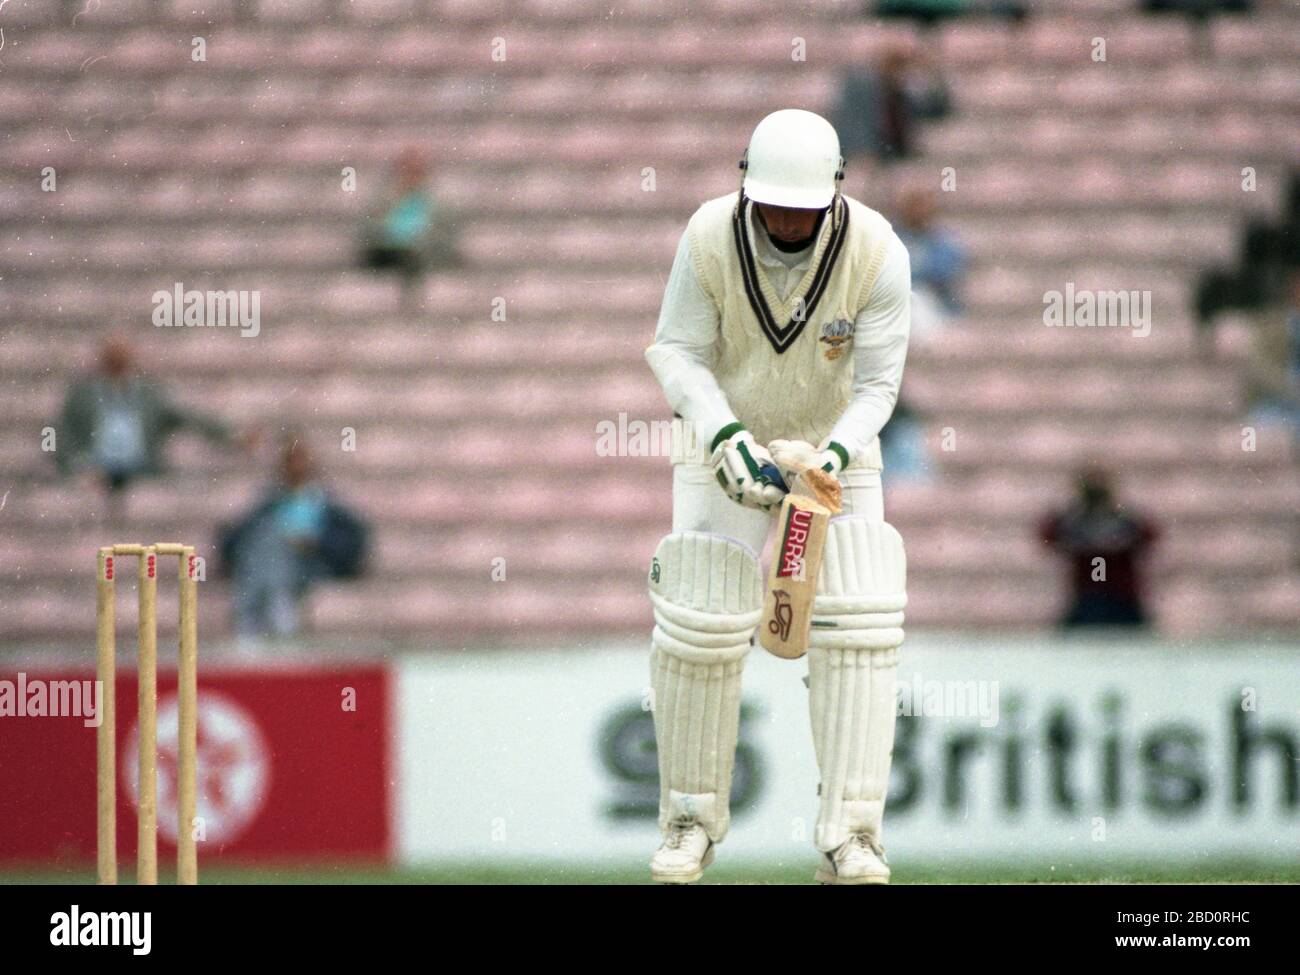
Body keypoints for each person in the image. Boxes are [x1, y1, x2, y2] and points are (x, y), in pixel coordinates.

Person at [644, 109, 911, 884]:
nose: (789, 219)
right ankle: (689, 821)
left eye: (804, 204)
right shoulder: (706, 237)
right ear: (745, 185)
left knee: (860, 617)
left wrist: (829, 455)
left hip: (838, 446)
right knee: (698, 617)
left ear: (835, 191)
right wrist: (725, 436)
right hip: (725, 442)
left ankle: (854, 836)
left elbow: (880, 384)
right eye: (774, 203)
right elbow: (679, 350)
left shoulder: (876, 250)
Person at [55, 334, 251, 510]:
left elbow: (188, 417)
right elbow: (64, 433)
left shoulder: (149, 395)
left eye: (122, 356)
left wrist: (231, 435)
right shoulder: (82, 396)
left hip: (143, 470)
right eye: (112, 356)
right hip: (96, 470)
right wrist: (78, 464)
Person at [219, 436, 369, 640]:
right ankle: (276, 608)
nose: (296, 466)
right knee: (269, 540)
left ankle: (256, 615)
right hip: (271, 565)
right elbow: (234, 542)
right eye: (291, 460)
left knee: (273, 547)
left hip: (310, 565)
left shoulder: (326, 504)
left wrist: (315, 543)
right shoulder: (269, 504)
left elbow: (352, 544)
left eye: (301, 459)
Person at [1039, 467, 1159, 629]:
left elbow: (1148, 535)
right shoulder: (1074, 520)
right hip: (1088, 595)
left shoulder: (1123, 519)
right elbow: (1049, 535)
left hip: (1121, 596)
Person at [359, 146, 460, 306]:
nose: (411, 176)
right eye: (407, 170)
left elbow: (445, 236)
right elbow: (370, 231)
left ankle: (411, 300)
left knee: (416, 259)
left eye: (416, 171)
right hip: (388, 253)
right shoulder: (385, 199)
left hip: (423, 255)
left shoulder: (436, 203)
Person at [831, 45, 951, 170]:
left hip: (899, 159)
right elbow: (855, 127)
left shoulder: (905, 95)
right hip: (873, 158)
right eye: (893, 66)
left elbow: (937, 109)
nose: (898, 73)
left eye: (903, 68)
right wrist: (864, 153)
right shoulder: (861, 92)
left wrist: (931, 71)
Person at [893, 185, 967, 339]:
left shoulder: (943, 242)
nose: (919, 211)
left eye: (923, 206)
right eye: (913, 205)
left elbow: (944, 275)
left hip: (933, 305)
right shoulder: (889, 239)